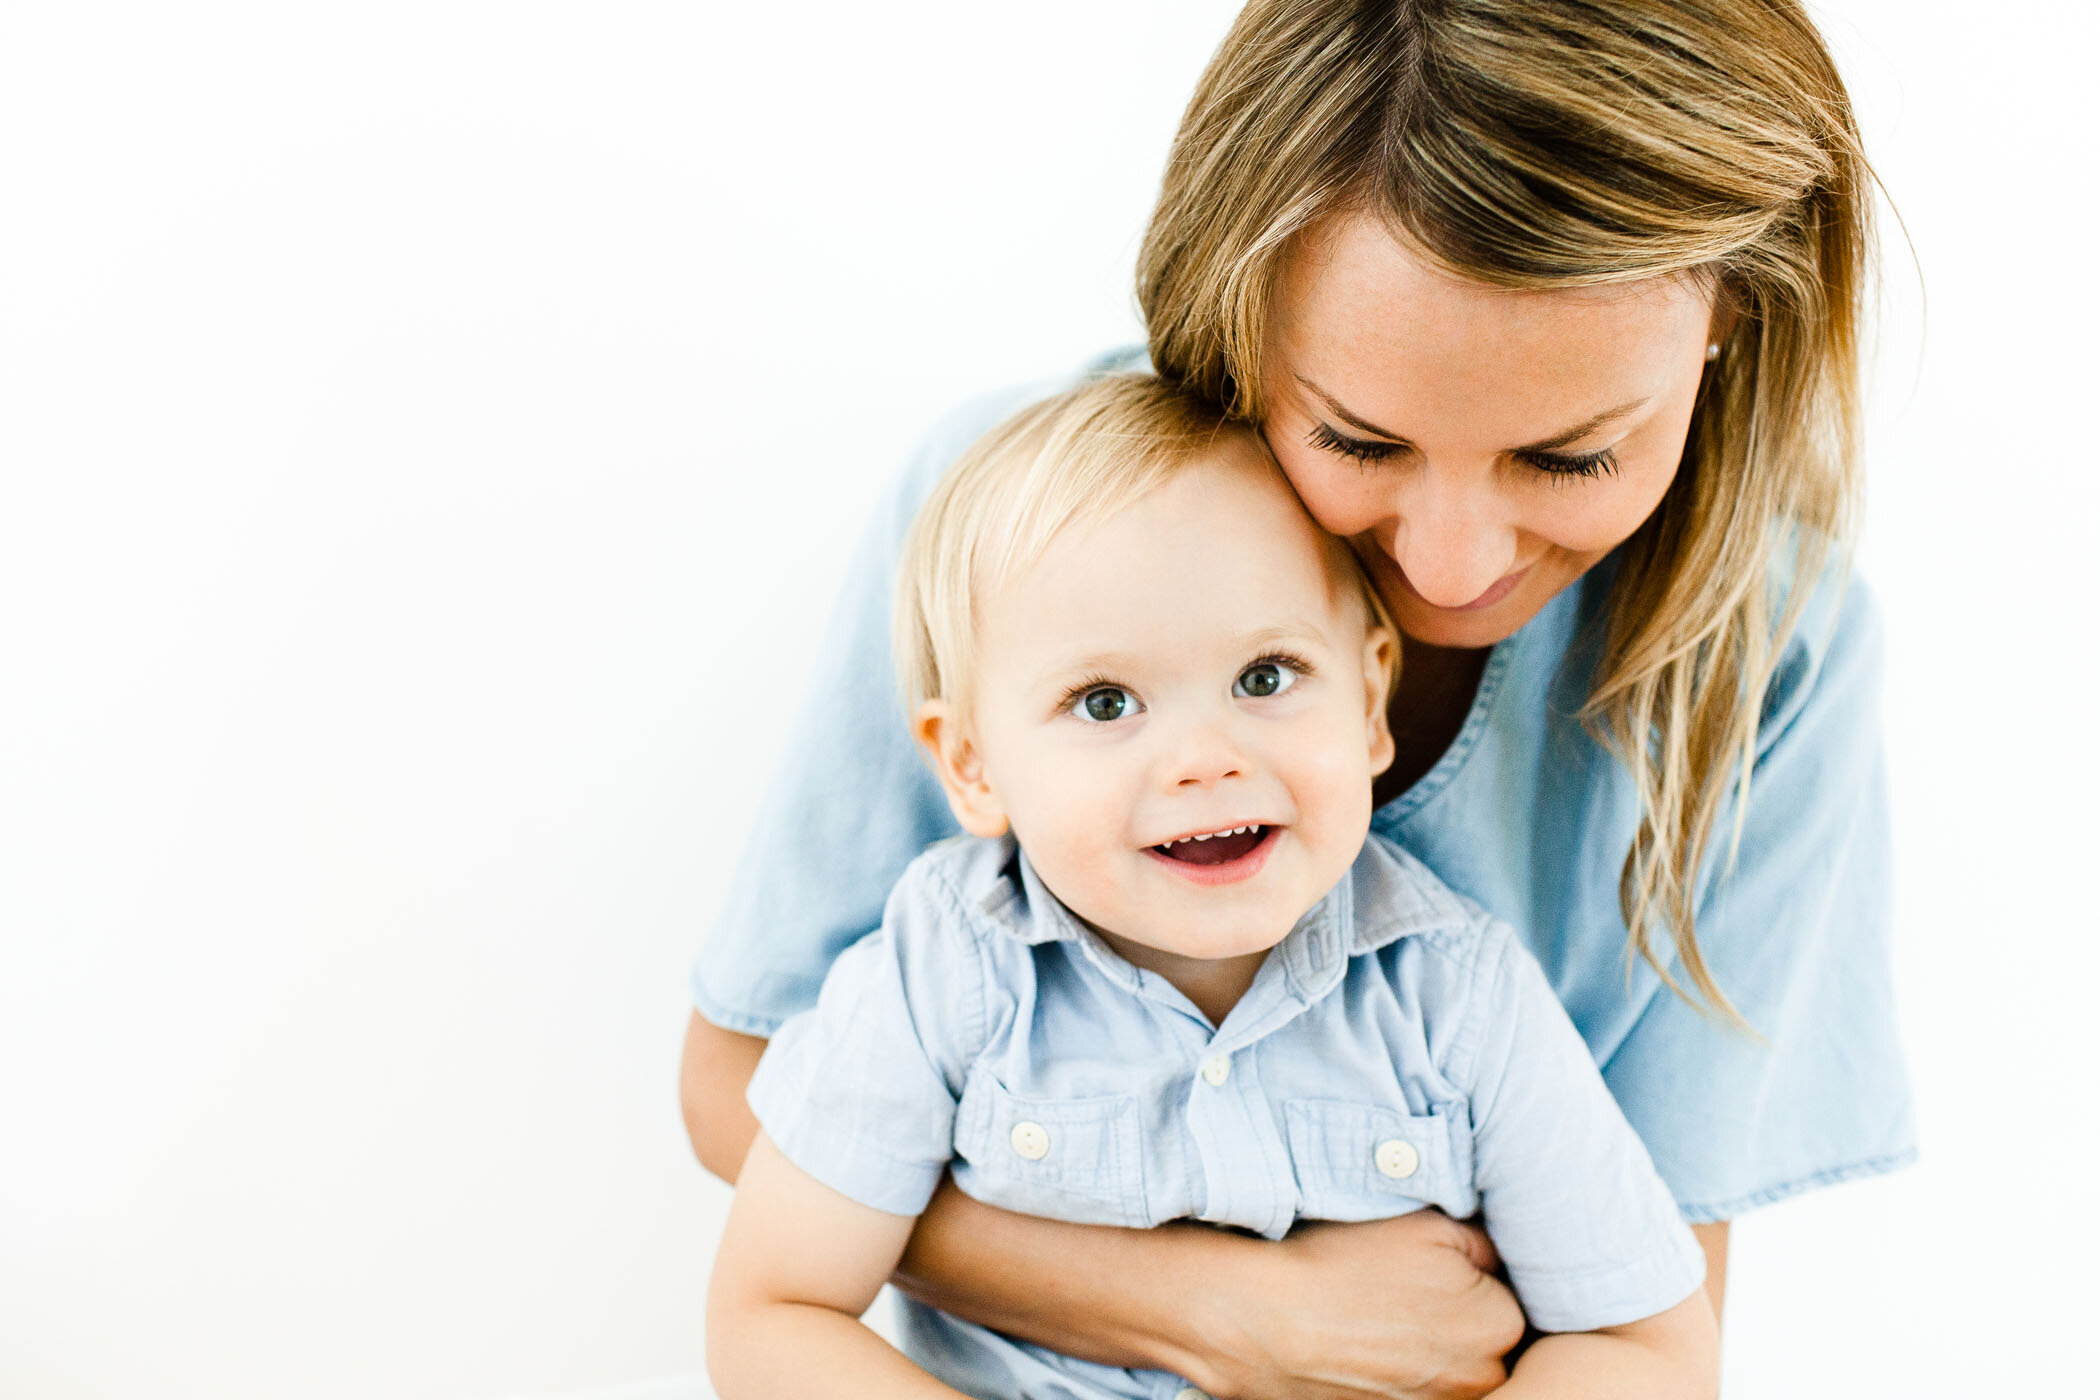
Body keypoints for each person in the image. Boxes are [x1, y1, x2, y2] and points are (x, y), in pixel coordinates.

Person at [683, 3, 1912, 1396]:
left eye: (1570, 458)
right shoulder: (1015, 536)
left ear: (1733, 318)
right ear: (1238, 305)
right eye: (1358, 437)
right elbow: (744, 1090)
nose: (1453, 568)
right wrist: (1227, 1313)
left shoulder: (1777, 660)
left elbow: (1649, 1312)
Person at [707, 374, 1718, 1400]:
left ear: (1370, 699)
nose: (1202, 757)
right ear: (971, 764)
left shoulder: (1462, 1000)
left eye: (1266, 676)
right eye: (1105, 700)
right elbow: (774, 1314)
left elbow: (1644, 1347)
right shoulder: (942, 975)